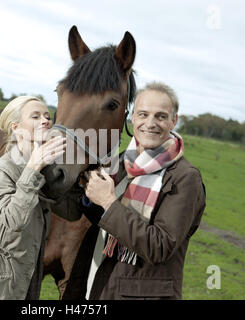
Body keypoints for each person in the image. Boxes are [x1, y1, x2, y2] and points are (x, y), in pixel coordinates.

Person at [62, 82, 206, 300]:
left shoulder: (185, 178)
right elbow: (104, 220)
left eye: (160, 116)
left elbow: (159, 246)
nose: (150, 123)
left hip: (141, 294)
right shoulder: (121, 162)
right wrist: (87, 194)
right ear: (132, 118)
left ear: (173, 121)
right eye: (143, 114)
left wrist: (109, 202)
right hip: (97, 282)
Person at [0, 96, 80, 300]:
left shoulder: (44, 169)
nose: (45, 120)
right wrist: (34, 168)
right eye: (35, 116)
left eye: (47, 116)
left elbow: (71, 212)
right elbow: (13, 222)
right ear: (16, 128)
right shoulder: (1, 171)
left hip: (26, 277)